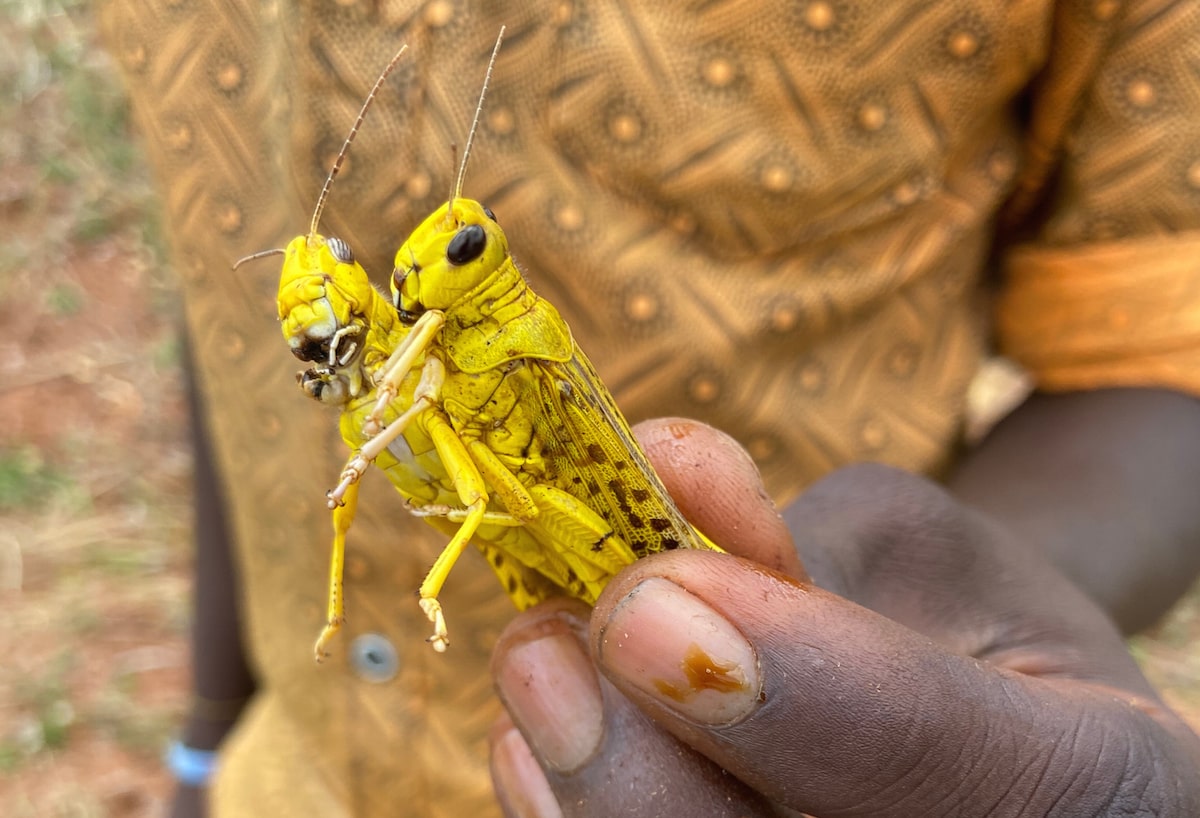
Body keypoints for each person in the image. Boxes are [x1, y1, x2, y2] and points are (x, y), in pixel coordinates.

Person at [95, 0, 1200, 815]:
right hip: (282, 777)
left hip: (724, 686)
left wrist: (879, 668)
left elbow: (1164, 324)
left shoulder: (496, 333)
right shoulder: (388, 332)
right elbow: (252, 324)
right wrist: (207, 735)